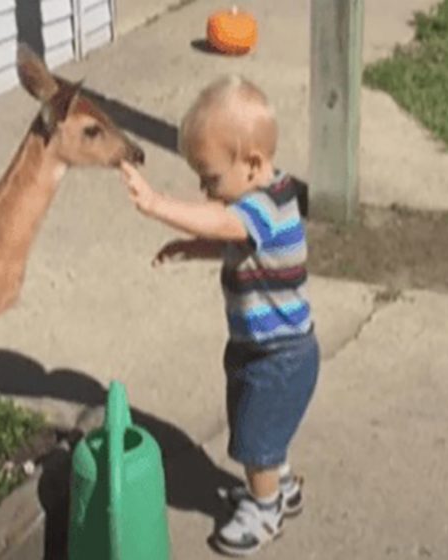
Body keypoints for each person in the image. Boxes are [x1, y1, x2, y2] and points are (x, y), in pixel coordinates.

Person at [120, 74, 320, 556]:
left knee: (254, 435)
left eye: (210, 178)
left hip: (280, 356)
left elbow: (227, 223)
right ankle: (280, 486)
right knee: (262, 426)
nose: (205, 189)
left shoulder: (263, 207)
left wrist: (158, 205)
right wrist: (192, 248)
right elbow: (233, 239)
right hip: (264, 347)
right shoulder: (266, 195)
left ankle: (264, 508)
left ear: (252, 164)